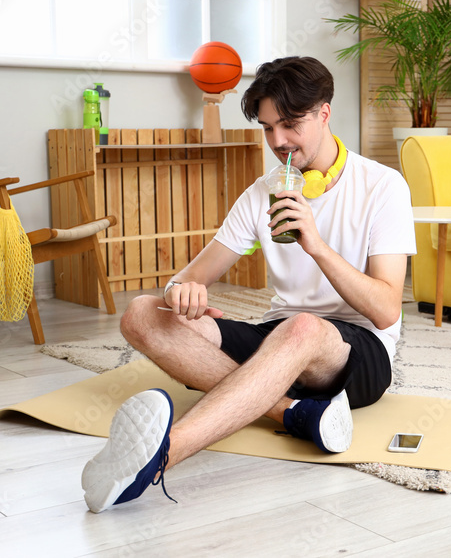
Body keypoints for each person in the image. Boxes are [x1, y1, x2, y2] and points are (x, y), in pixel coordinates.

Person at [81, 56, 416, 513]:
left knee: (302, 326)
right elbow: (190, 275)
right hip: (279, 337)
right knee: (144, 312)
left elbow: (386, 309)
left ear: (323, 112)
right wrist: (183, 290)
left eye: (290, 125)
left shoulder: (383, 187)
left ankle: (162, 456)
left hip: (357, 352)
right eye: (267, 128)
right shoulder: (262, 192)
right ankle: (291, 412)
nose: (278, 141)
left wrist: (316, 245)